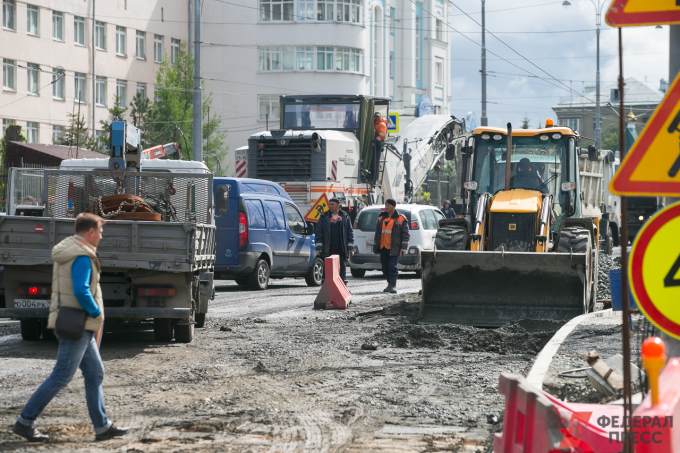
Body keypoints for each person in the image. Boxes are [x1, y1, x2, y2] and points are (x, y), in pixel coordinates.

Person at [13, 213, 129, 443]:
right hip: (79, 323)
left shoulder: (69, 249)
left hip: (71, 320)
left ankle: (102, 426)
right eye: (101, 232)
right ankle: (24, 422)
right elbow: (81, 290)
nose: (102, 236)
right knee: (61, 376)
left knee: (95, 373)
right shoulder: (83, 257)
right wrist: (96, 312)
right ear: (90, 232)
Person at [373, 199, 410, 294]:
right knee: (384, 267)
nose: (386, 207)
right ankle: (389, 284)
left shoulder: (401, 218)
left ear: (393, 206)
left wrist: (403, 248)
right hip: (383, 247)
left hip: (394, 248)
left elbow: (405, 234)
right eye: (385, 205)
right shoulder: (381, 218)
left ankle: (393, 286)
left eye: (388, 205)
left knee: (392, 267)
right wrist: (376, 245)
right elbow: (378, 233)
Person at [316, 198, 354, 283]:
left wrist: (350, 246)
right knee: (328, 268)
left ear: (338, 205)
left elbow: (349, 231)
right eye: (329, 204)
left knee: (342, 267)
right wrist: (319, 246)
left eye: (332, 204)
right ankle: (328, 285)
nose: (330, 206)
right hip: (328, 247)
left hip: (341, 247)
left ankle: (342, 285)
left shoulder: (345, 216)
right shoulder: (324, 216)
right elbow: (319, 232)